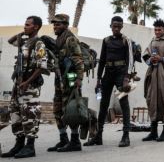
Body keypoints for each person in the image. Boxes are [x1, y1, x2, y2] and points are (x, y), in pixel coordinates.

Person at [1, 16, 48, 159]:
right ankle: (19, 144)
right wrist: (22, 33)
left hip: (30, 86)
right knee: (15, 113)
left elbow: (42, 66)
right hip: (19, 84)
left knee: (30, 114)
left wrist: (28, 82)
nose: (24, 26)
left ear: (36, 27)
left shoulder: (38, 44)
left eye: (27, 25)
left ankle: (30, 146)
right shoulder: (24, 42)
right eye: (24, 24)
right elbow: (10, 41)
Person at [85, 16, 132, 148]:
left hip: (121, 74)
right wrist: (98, 80)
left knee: (124, 103)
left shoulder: (126, 40)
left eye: (118, 26)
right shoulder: (106, 41)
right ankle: (98, 136)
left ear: (122, 27)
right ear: (110, 26)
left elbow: (130, 60)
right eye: (114, 26)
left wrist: (126, 78)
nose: (116, 28)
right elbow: (102, 60)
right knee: (103, 104)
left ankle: (126, 135)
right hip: (108, 73)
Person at [47, 14, 84, 153]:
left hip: (71, 77)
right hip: (60, 78)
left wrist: (79, 79)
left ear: (66, 25)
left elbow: (78, 59)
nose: (55, 26)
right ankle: (64, 138)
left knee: (71, 109)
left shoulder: (70, 39)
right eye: (54, 24)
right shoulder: (58, 40)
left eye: (58, 24)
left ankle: (75, 141)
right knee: (57, 108)